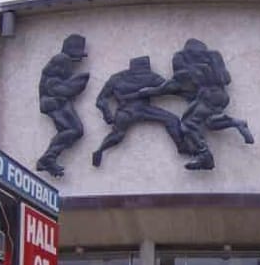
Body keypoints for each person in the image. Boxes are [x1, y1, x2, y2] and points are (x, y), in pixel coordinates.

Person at [141, 39, 253, 170]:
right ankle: (236, 123)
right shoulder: (212, 62)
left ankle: (205, 156)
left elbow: (173, 84)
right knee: (210, 122)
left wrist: (147, 91)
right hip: (221, 96)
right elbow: (226, 80)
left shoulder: (187, 66)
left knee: (188, 125)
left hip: (207, 96)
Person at [91, 56, 186, 167]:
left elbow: (101, 100)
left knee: (117, 134)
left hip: (127, 111)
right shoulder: (150, 77)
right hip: (137, 110)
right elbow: (171, 88)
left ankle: (100, 150)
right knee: (172, 119)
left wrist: (107, 113)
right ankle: (181, 145)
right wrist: (107, 113)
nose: (140, 76)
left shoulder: (118, 78)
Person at [35, 34, 90, 177]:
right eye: (78, 52)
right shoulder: (62, 59)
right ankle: (47, 159)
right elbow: (52, 85)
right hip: (54, 102)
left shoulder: (64, 60)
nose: (80, 58)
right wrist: (75, 85)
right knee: (75, 130)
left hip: (59, 101)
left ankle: (49, 158)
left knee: (72, 131)